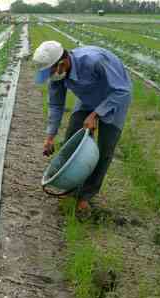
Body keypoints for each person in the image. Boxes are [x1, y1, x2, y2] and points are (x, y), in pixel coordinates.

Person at [32, 41, 132, 212]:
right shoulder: (58, 75)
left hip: (114, 98)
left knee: (104, 150)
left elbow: (123, 91)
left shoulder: (94, 61)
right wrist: (50, 137)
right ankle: (72, 188)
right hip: (87, 99)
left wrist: (96, 114)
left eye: (50, 72)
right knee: (72, 138)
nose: (50, 77)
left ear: (62, 63)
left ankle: (86, 196)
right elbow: (56, 105)